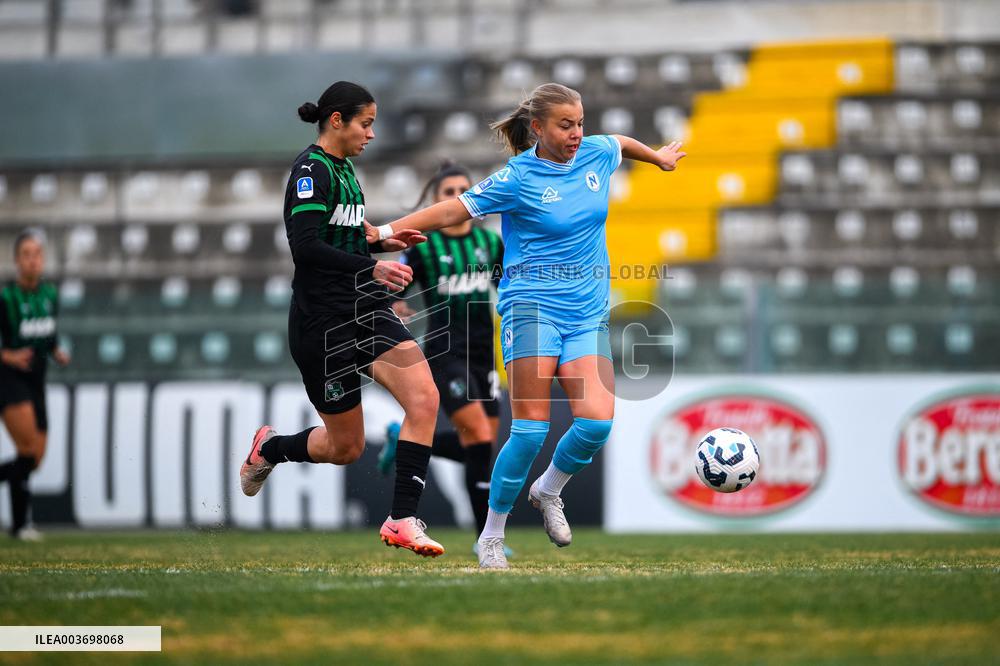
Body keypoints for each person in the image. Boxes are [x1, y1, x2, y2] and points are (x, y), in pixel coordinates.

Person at [370, 83, 686, 568]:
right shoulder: (518, 177)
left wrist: (658, 158)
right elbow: (456, 209)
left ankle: (548, 489)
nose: (577, 133)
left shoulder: (597, 153)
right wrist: (390, 230)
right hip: (531, 310)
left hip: (586, 313)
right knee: (530, 432)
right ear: (537, 128)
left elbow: (620, 142)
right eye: (565, 125)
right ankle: (491, 535)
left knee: (597, 422)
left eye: (580, 122)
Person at [239, 81, 446, 557]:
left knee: (424, 397)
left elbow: (344, 232)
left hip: (364, 309)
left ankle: (402, 520)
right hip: (322, 323)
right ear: (337, 121)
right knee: (345, 448)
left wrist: (377, 240)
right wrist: (370, 263)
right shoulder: (311, 170)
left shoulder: (346, 169)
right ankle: (270, 449)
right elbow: (306, 247)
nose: (371, 134)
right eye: (366, 123)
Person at [377, 161, 507, 554]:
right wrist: (395, 303)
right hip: (444, 351)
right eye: (448, 192)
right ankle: (487, 539)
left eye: (463, 190)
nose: (456, 198)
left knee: (481, 450)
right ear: (436, 200)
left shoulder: (490, 244)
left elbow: (508, 286)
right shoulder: (424, 246)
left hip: (485, 353)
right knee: (481, 439)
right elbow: (392, 283)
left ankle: (403, 442)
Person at [0, 229, 71, 541]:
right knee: (26, 448)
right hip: (9, 377)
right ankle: (20, 524)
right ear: (17, 261)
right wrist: (9, 356)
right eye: (26, 254)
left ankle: (18, 527)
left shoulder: (50, 295)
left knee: (35, 458)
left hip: (37, 378)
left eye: (37, 254)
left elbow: (48, 335)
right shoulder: (6, 298)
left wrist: (56, 351)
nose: (33, 260)